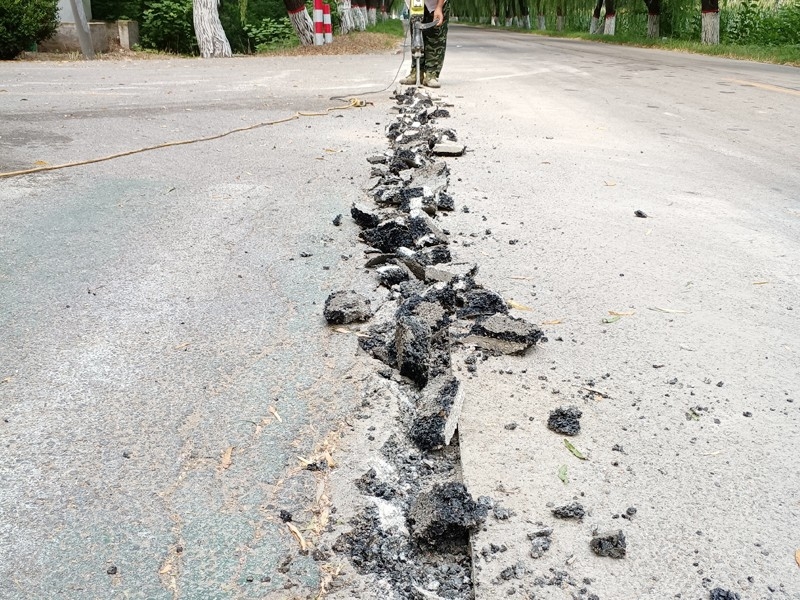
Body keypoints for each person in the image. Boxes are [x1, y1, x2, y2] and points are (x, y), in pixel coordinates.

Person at [400, 0, 449, 88]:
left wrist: (439, 7)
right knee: (416, 33)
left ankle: (431, 74)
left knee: (436, 37)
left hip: (436, 3)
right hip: (416, 3)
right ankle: (417, 72)